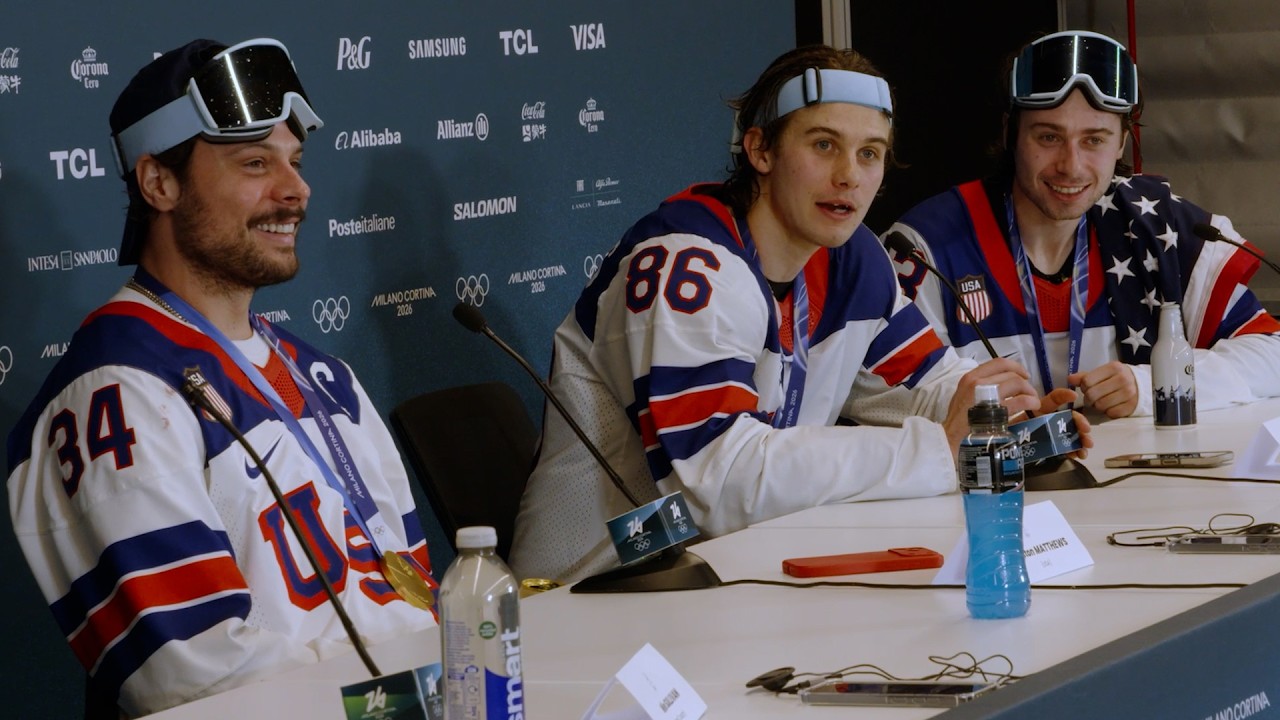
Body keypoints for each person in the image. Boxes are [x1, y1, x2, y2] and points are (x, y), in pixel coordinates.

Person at [508, 45, 1088, 585]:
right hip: (593, 594)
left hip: (727, 575)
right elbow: (719, 480)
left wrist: (1006, 419)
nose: (849, 177)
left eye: (869, 154)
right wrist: (938, 449)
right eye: (823, 145)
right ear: (761, 150)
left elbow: (928, 386)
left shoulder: (851, 256)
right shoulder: (686, 266)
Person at [6, 39, 437, 718]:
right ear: (160, 184)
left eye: (295, 162)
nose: (296, 190)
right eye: (254, 164)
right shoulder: (113, 390)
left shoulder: (326, 376)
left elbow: (413, 597)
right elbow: (199, 681)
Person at [887, 30, 1280, 418]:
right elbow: (879, 393)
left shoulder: (1158, 225)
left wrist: (1151, 385)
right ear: (1011, 133)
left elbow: (1271, 354)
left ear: (1122, 142)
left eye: (1094, 140)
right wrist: (995, 413)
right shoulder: (927, 245)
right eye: (1048, 137)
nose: (1071, 166)